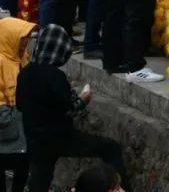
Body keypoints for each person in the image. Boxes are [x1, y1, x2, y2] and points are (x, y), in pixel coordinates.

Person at [17, 24, 127, 192]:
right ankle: (116, 187)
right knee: (111, 148)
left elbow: (20, 105)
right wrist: (84, 99)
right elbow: (69, 108)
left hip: (35, 140)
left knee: (39, 181)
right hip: (61, 138)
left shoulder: (25, 72)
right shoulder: (55, 77)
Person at [0, 16, 34, 192]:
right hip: (7, 129)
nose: (27, 41)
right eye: (23, 37)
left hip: (21, 131)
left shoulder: (23, 58)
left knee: (22, 169)